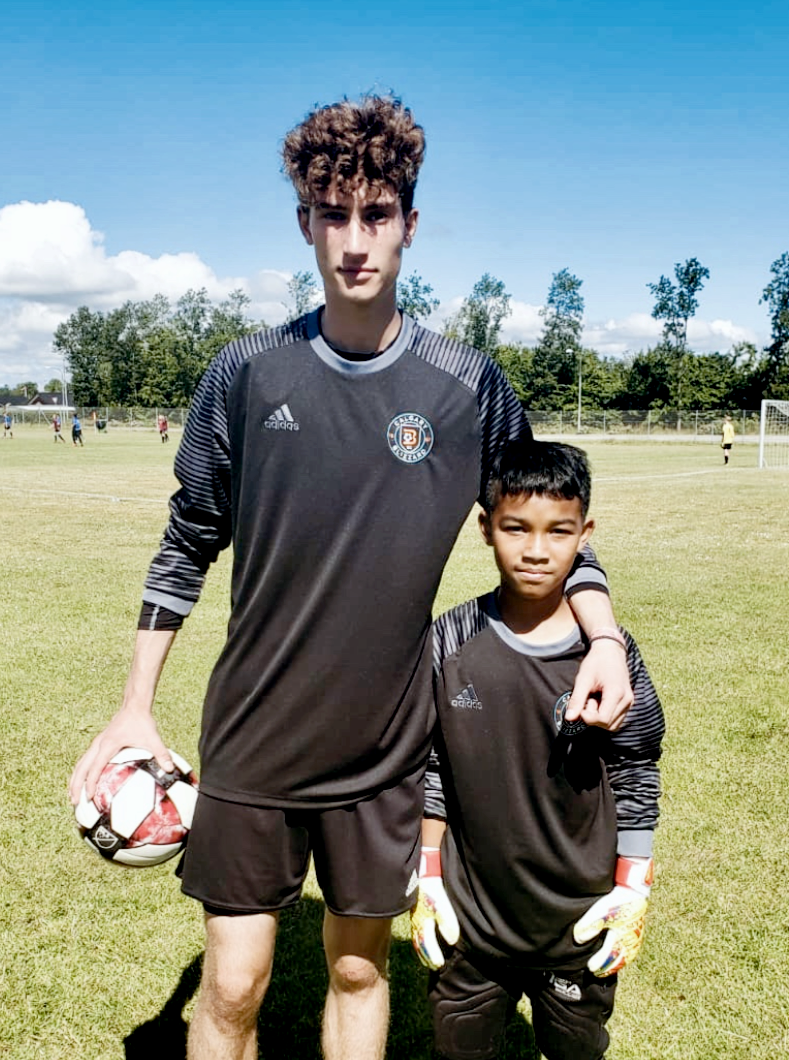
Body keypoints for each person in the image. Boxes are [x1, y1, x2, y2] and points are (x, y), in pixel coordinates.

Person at [70, 96, 633, 1060]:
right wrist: (134, 707)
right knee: (236, 984)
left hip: (385, 744)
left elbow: (547, 518)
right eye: (333, 215)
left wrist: (605, 636)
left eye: (376, 215)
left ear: (409, 224)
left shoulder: (468, 385)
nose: (354, 240)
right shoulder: (246, 373)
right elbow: (186, 538)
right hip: (251, 734)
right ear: (304, 223)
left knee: (358, 969)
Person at [411, 439, 664, 1060]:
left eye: (559, 531)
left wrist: (632, 887)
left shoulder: (610, 656)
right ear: (485, 528)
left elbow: (636, 767)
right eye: (515, 528)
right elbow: (432, 764)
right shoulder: (450, 640)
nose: (535, 550)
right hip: (473, 920)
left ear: (586, 534)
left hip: (579, 919)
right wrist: (429, 873)